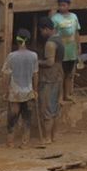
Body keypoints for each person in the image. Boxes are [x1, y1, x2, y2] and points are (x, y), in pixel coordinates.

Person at [2, 29, 38, 148]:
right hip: (28, 91)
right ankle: (25, 143)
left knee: (12, 117)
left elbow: (6, 75)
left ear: (17, 40)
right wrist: (35, 90)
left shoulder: (11, 56)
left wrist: (5, 91)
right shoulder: (33, 56)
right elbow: (35, 74)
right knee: (27, 117)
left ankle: (10, 141)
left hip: (15, 91)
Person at [36, 17, 64, 145]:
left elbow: (49, 62)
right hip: (58, 75)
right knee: (55, 108)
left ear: (46, 29)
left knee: (47, 108)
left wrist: (36, 62)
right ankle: (54, 136)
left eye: (41, 31)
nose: (41, 33)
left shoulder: (50, 44)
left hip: (49, 78)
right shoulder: (59, 39)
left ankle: (47, 137)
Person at [51, 0, 81, 102]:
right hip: (61, 51)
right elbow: (53, 34)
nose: (62, 7)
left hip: (71, 51)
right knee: (60, 74)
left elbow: (77, 33)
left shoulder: (74, 17)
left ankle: (67, 95)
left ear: (69, 5)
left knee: (69, 74)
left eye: (64, 5)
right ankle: (59, 97)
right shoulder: (55, 18)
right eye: (60, 5)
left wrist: (79, 46)